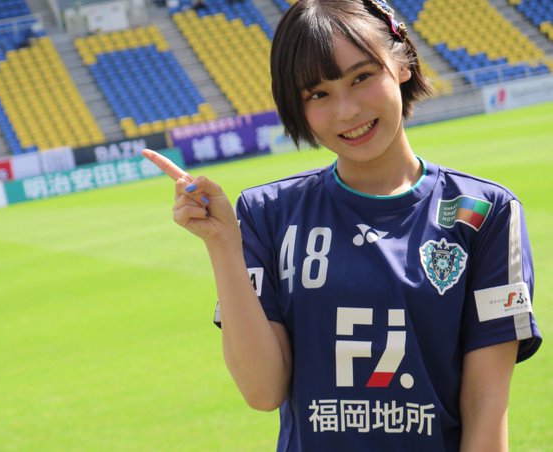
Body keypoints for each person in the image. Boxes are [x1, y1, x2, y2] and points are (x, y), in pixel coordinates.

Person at [142, 0, 542, 450]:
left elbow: (486, 405)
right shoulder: (265, 213)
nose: (347, 111)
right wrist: (221, 244)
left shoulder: (485, 212)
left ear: (402, 63)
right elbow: (262, 391)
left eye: (362, 77)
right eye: (318, 94)